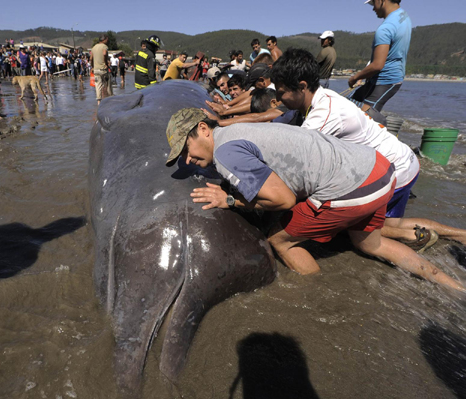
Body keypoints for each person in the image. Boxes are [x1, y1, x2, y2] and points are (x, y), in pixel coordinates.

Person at [163, 108, 465, 293]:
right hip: (381, 171)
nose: (189, 160)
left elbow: (283, 199)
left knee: (279, 241)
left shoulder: (225, 152)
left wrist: (230, 200)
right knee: (369, 243)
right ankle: (454, 287)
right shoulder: (239, 131)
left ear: (204, 128)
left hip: (350, 189)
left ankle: (315, 292)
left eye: (187, 150)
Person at [271, 47, 466, 249]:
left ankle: (412, 237)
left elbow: (297, 165)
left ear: (302, 86)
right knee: (391, 224)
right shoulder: (322, 97)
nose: (278, 98)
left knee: (348, 226)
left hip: (394, 171)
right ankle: (457, 235)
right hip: (403, 161)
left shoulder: (322, 116)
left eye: (281, 92)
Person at [348, 0, 411, 111]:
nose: (373, 8)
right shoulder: (403, 15)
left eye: (373, 4)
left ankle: (381, 126)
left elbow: (377, 65)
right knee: (349, 105)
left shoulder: (385, 29)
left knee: (365, 117)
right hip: (384, 78)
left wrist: (355, 77)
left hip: (386, 81)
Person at [90, 33, 112, 104]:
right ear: (104, 40)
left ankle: (99, 103)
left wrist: (92, 66)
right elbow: (104, 53)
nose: (107, 41)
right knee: (107, 85)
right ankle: (110, 99)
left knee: (98, 86)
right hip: (103, 69)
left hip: (96, 70)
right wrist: (106, 63)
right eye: (107, 40)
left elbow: (91, 58)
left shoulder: (94, 47)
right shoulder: (104, 46)